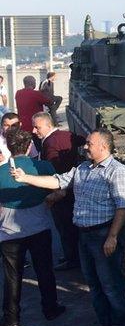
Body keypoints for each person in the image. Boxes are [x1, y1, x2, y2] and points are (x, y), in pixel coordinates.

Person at [11, 129, 125, 326]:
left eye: (89, 144)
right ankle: (104, 321)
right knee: (94, 284)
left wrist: (113, 237)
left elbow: (122, 207)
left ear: (104, 147)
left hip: (103, 234)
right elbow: (57, 181)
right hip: (84, 236)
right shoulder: (82, 169)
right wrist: (26, 178)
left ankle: (121, 325)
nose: (85, 146)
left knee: (111, 284)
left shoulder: (117, 171)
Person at [0, 130, 65, 326]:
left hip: (9, 232)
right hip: (39, 227)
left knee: (12, 276)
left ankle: (11, 317)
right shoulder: (42, 166)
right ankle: (51, 308)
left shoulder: (1, 172)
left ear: (9, 147)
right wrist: (49, 200)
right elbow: (59, 190)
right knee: (45, 270)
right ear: (29, 146)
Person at [32, 112, 80, 271]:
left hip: (60, 192)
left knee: (64, 227)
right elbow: (80, 141)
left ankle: (71, 259)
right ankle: (75, 256)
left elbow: (55, 168)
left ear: (48, 125)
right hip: (73, 189)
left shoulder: (49, 144)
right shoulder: (66, 134)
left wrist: (56, 192)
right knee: (72, 226)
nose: (34, 131)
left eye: (37, 127)